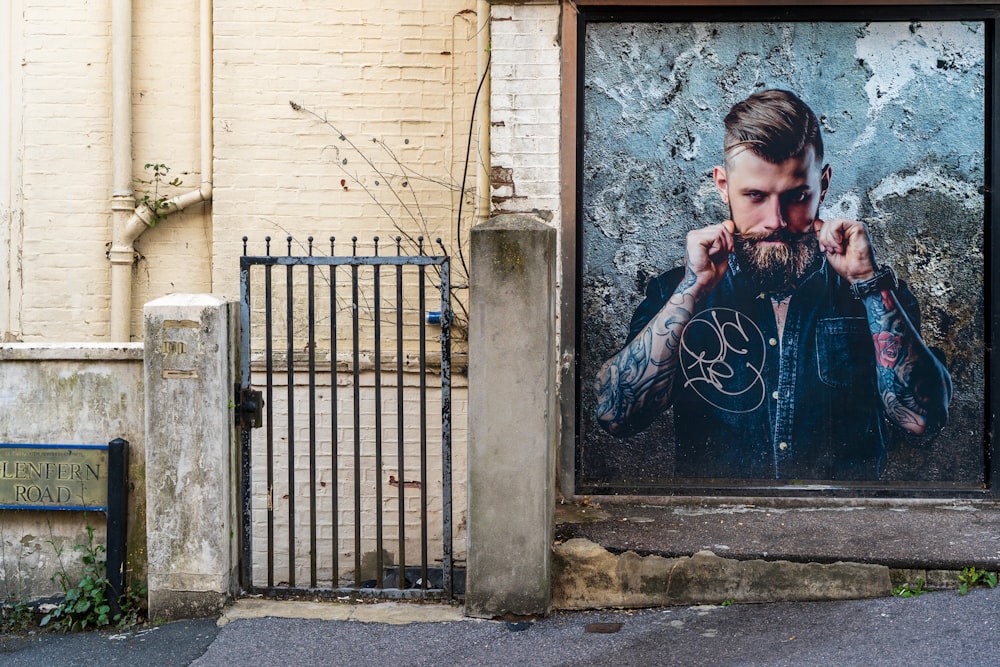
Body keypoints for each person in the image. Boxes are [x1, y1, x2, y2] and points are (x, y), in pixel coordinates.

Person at [594, 89, 952, 481]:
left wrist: (867, 283)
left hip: (844, 531)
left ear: (824, 184)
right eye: (755, 196)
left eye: (797, 196)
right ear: (722, 185)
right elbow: (616, 417)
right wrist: (691, 292)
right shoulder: (675, 292)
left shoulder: (877, 294)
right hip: (715, 535)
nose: (775, 220)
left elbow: (922, 420)